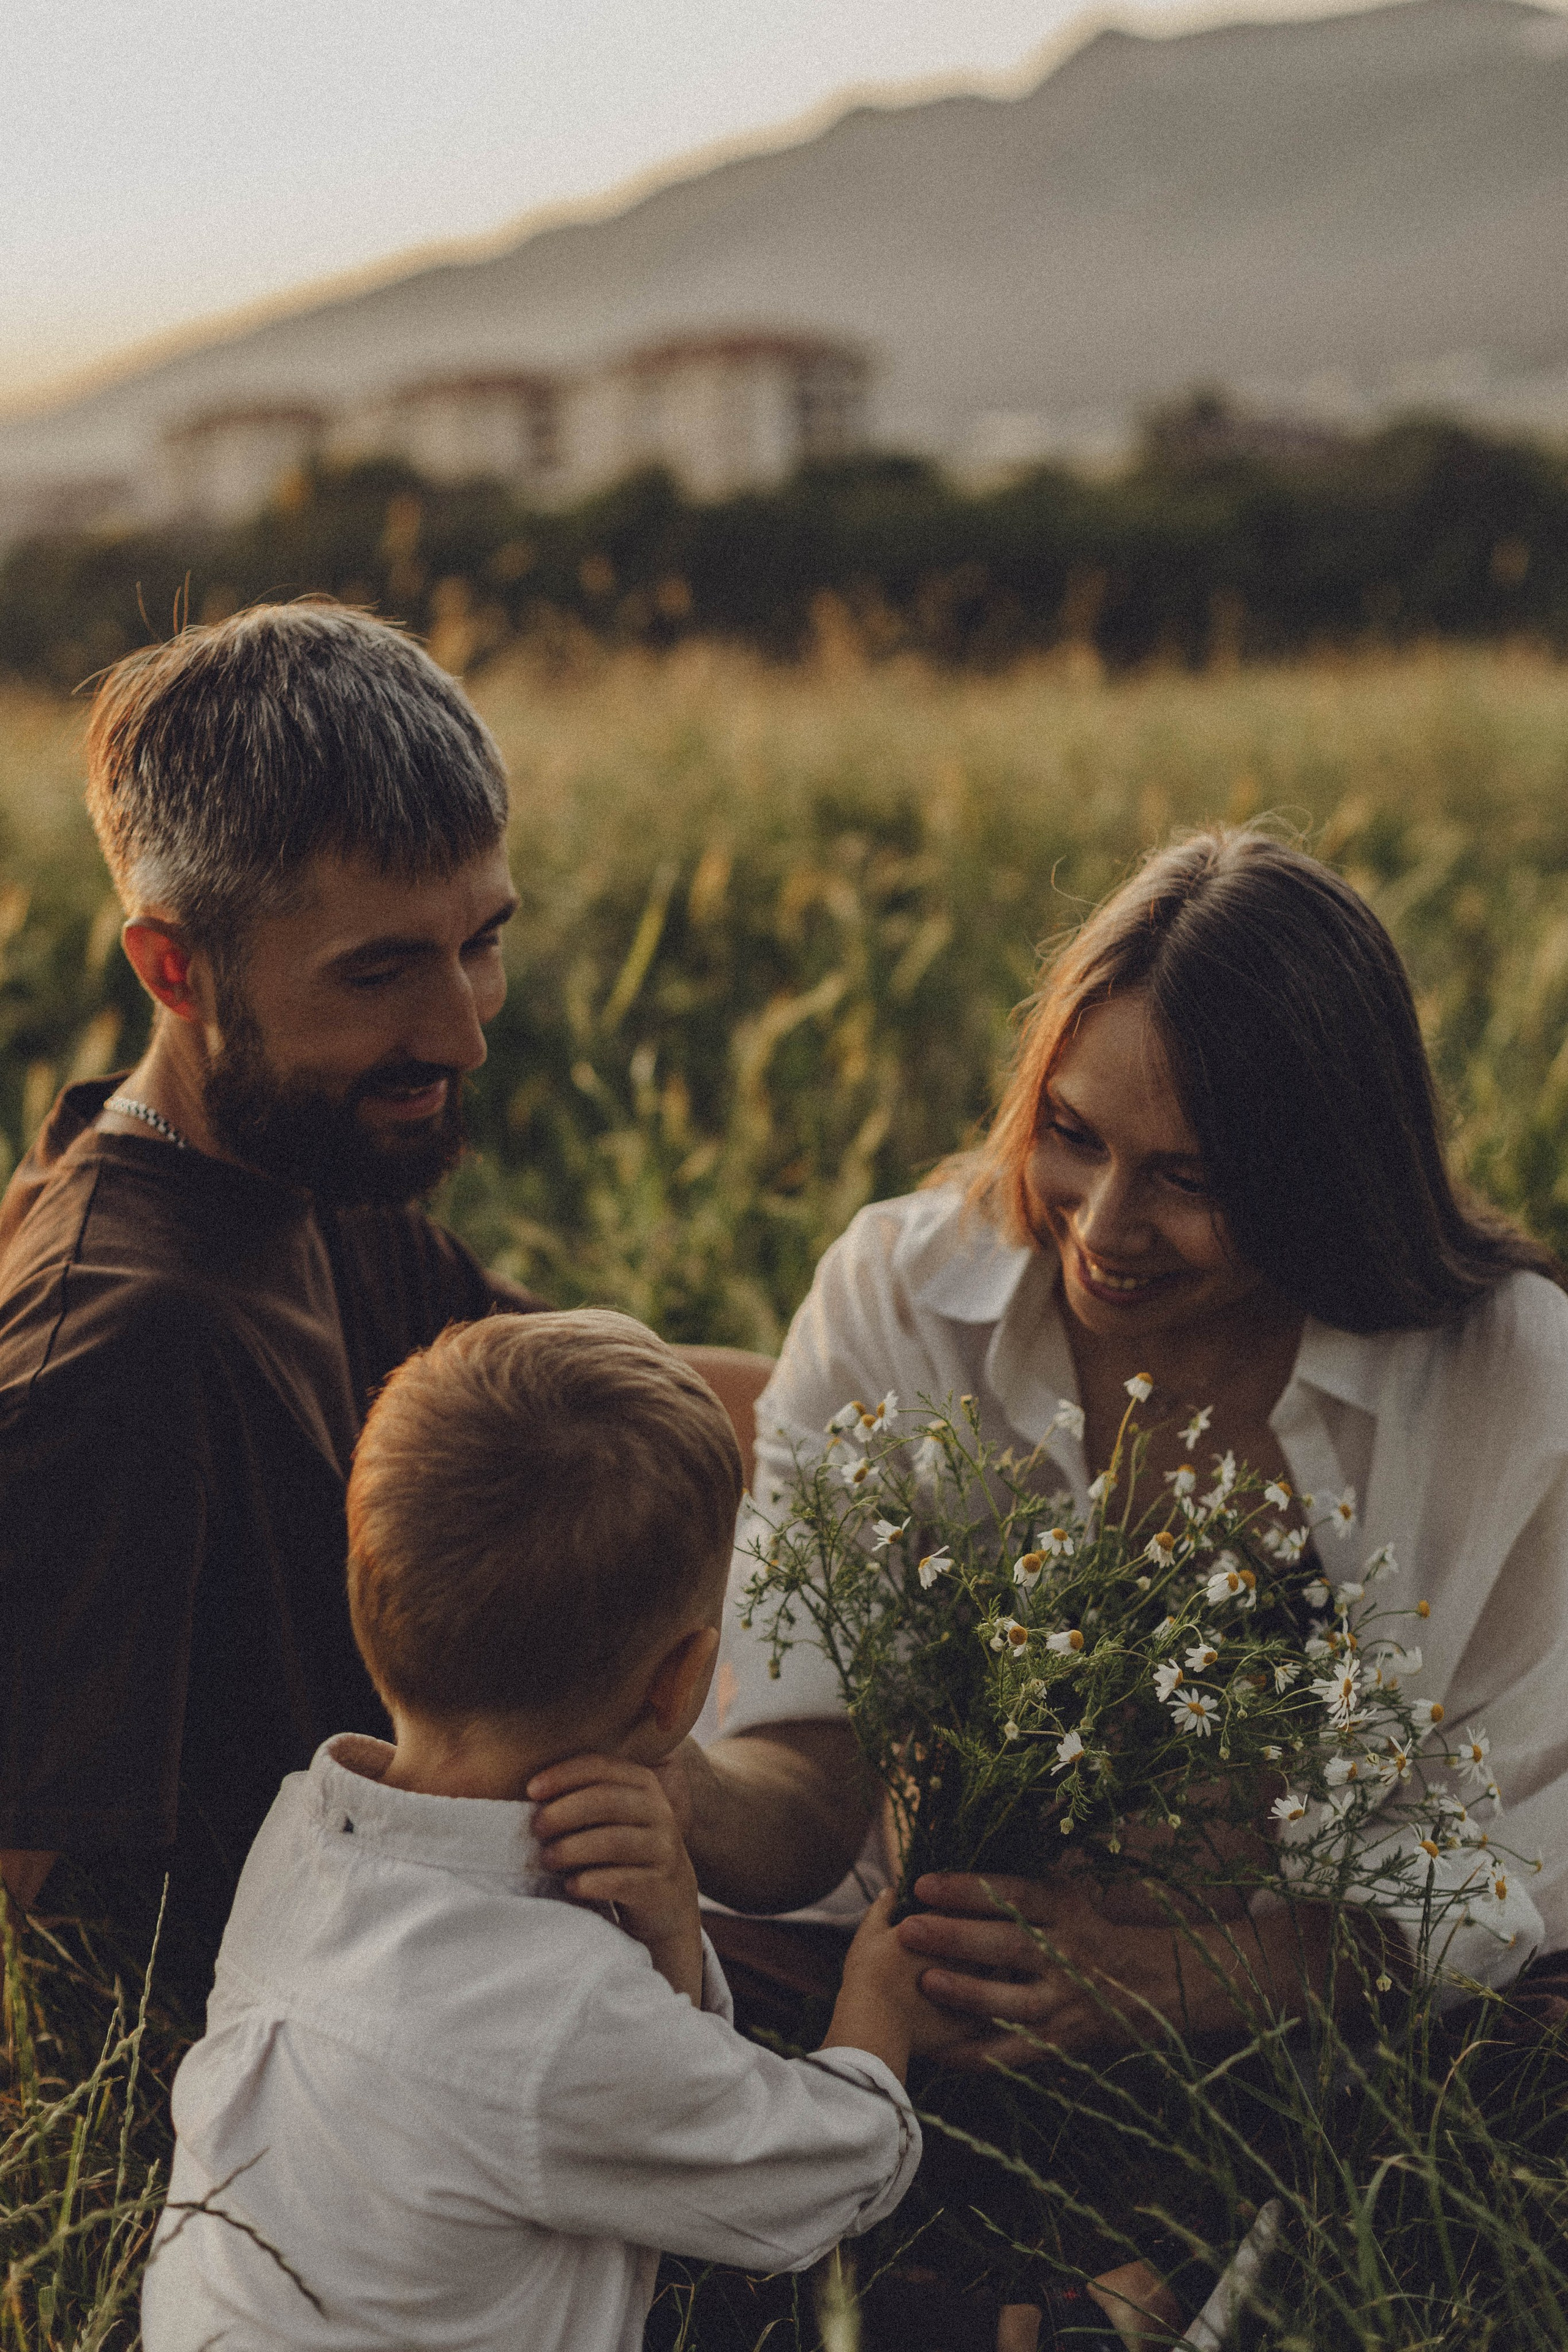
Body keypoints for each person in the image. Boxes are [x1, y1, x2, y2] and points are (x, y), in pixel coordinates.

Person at [672, 826, 1568, 2342]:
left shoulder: (1506, 1378)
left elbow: (1523, 1855)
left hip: (1336, 2012)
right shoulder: (904, 1296)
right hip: (927, 1983)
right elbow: (803, 1763)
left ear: (1326, 1174)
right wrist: (652, 1791)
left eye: (1188, 1180)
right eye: (1071, 1136)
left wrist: (1181, 1975)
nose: (1100, 1226)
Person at [0, 603, 769, 2003]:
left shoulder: (299, 1163)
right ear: (174, 967)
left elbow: (607, 1404)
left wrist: (932, 1432)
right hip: (375, 2078)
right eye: (380, 971)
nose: (463, 1027)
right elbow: (38, 1941)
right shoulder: (120, 1359)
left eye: (479, 940)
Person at [141, 1310, 963, 2352]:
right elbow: (812, 2182)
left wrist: (666, 1937)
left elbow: (621, 2111)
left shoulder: (306, 1834)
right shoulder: (559, 2016)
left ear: (368, 1604)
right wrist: (876, 2004)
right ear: (675, 1689)